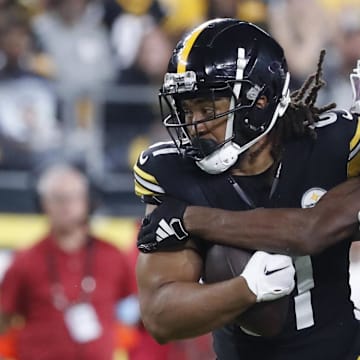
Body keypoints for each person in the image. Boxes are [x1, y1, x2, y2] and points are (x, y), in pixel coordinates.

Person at [133, 19, 360, 360]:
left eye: (208, 109)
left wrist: (193, 219)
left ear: (262, 101)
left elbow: (310, 230)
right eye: (187, 109)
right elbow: (160, 317)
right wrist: (244, 290)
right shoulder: (172, 172)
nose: (195, 125)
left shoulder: (335, 145)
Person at [0, 164, 132, 360]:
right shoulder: (25, 259)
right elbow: (5, 317)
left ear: (88, 200)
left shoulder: (112, 255)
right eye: (58, 198)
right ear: (43, 204)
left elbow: (137, 309)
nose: (66, 205)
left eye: (74, 197)